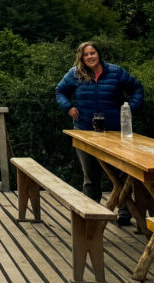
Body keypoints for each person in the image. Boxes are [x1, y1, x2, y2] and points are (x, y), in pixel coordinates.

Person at [55, 41, 144, 225]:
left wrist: (129, 109)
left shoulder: (116, 72)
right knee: (90, 177)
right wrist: (68, 107)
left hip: (115, 132)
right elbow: (60, 91)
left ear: (98, 54)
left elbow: (137, 89)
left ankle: (125, 212)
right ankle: (91, 214)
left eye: (92, 53)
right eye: (86, 54)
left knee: (122, 174)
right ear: (81, 57)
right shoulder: (75, 74)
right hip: (85, 131)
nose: (90, 57)